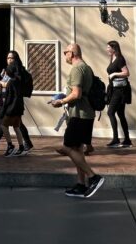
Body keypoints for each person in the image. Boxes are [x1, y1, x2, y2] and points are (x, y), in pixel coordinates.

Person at [51, 43, 103, 199]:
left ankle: (93, 177)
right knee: (78, 150)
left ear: (72, 53)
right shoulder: (86, 67)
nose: (64, 55)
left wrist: (60, 102)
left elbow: (76, 94)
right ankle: (81, 185)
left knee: (67, 148)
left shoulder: (76, 69)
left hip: (79, 115)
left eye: (65, 52)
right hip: (84, 114)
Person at [0, 50, 34, 154]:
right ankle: (24, 144)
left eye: (12, 58)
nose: (9, 60)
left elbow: (15, 84)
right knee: (17, 124)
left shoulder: (19, 71)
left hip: (13, 102)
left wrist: (3, 83)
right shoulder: (8, 70)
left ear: (16, 59)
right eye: (8, 58)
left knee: (4, 122)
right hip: (6, 99)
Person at [105, 40, 133, 149]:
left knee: (110, 112)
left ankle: (116, 139)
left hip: (120, 91)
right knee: (121, 114)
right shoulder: (113, 58)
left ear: (114, 48)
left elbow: (126, 73)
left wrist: (114, 74)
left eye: (108, 48)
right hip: (114, 89)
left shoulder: (120, 59)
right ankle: (127, 140)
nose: (107, 49)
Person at [0, 62, 28, 157]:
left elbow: (8, 98)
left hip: (12, 108)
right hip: (19, 108)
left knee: (3, 126)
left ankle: (10, 145)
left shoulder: (10, 82)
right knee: (16, 127)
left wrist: (4, 109)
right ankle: (21, 147)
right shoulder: (19, 80)